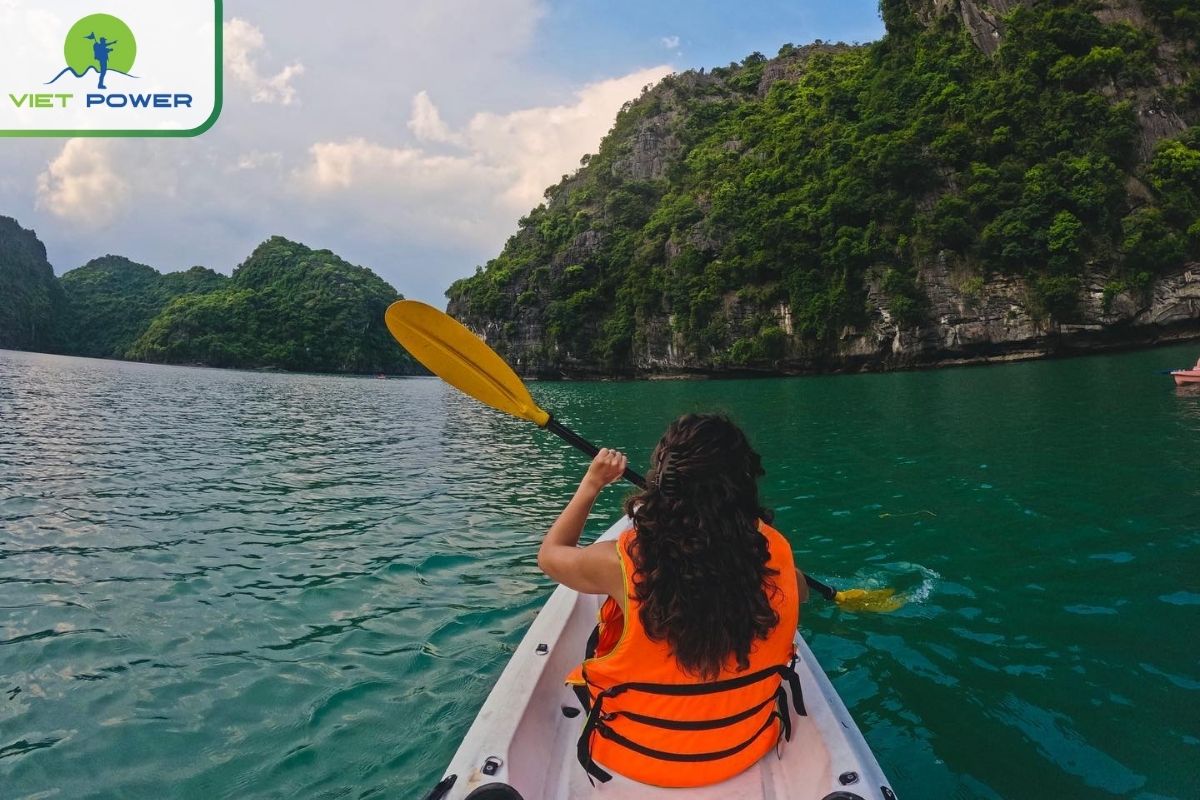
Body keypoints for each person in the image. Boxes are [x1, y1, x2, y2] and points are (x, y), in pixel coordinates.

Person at [537, 413, 808, 788]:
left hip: (634, 755)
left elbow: (550, 555)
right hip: (745, 747)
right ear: (743, 485)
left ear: (664, 482)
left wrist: (591, 483)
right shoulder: (775, 555)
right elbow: (801, 593)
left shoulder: (617, 563)